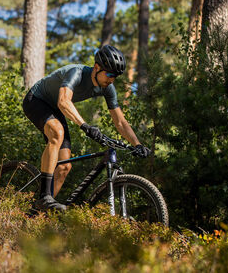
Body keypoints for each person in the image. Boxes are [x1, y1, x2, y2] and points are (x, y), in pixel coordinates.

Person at [22, 45, 151, 211]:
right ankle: (44, 197)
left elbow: (120, 122)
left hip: (55, 108)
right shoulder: (77, 73)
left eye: (116, 76)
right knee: (57, 132)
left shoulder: (107, 88)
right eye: (110, 74)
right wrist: (85, 126)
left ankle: (37, 211)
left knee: (64, 167)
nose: (112, 80)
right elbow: (63, 101)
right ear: (97, 68)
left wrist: (137, 144)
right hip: (36, 100)